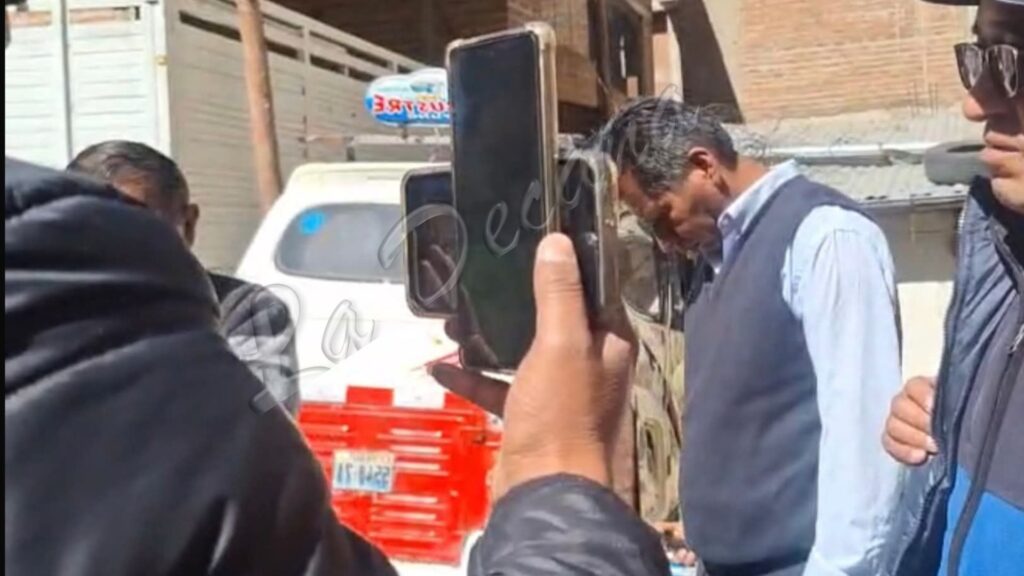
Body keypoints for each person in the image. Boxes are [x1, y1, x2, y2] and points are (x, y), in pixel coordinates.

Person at [591, 98, 905, 576]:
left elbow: (860, 429)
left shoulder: (825, 236)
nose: (663, 242)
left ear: (704, 166)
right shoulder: (712, 262)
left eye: (662, 217)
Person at [881, 1, 1023, 575]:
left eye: (1015, 56)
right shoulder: (1004, 247)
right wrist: (955, 426)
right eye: (980, 56)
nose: (975, 102)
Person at [66, 140, 301, 416]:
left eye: (139, 229)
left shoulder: (244, 310)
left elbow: (258, 421)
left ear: (188, 225)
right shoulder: (41, 311)